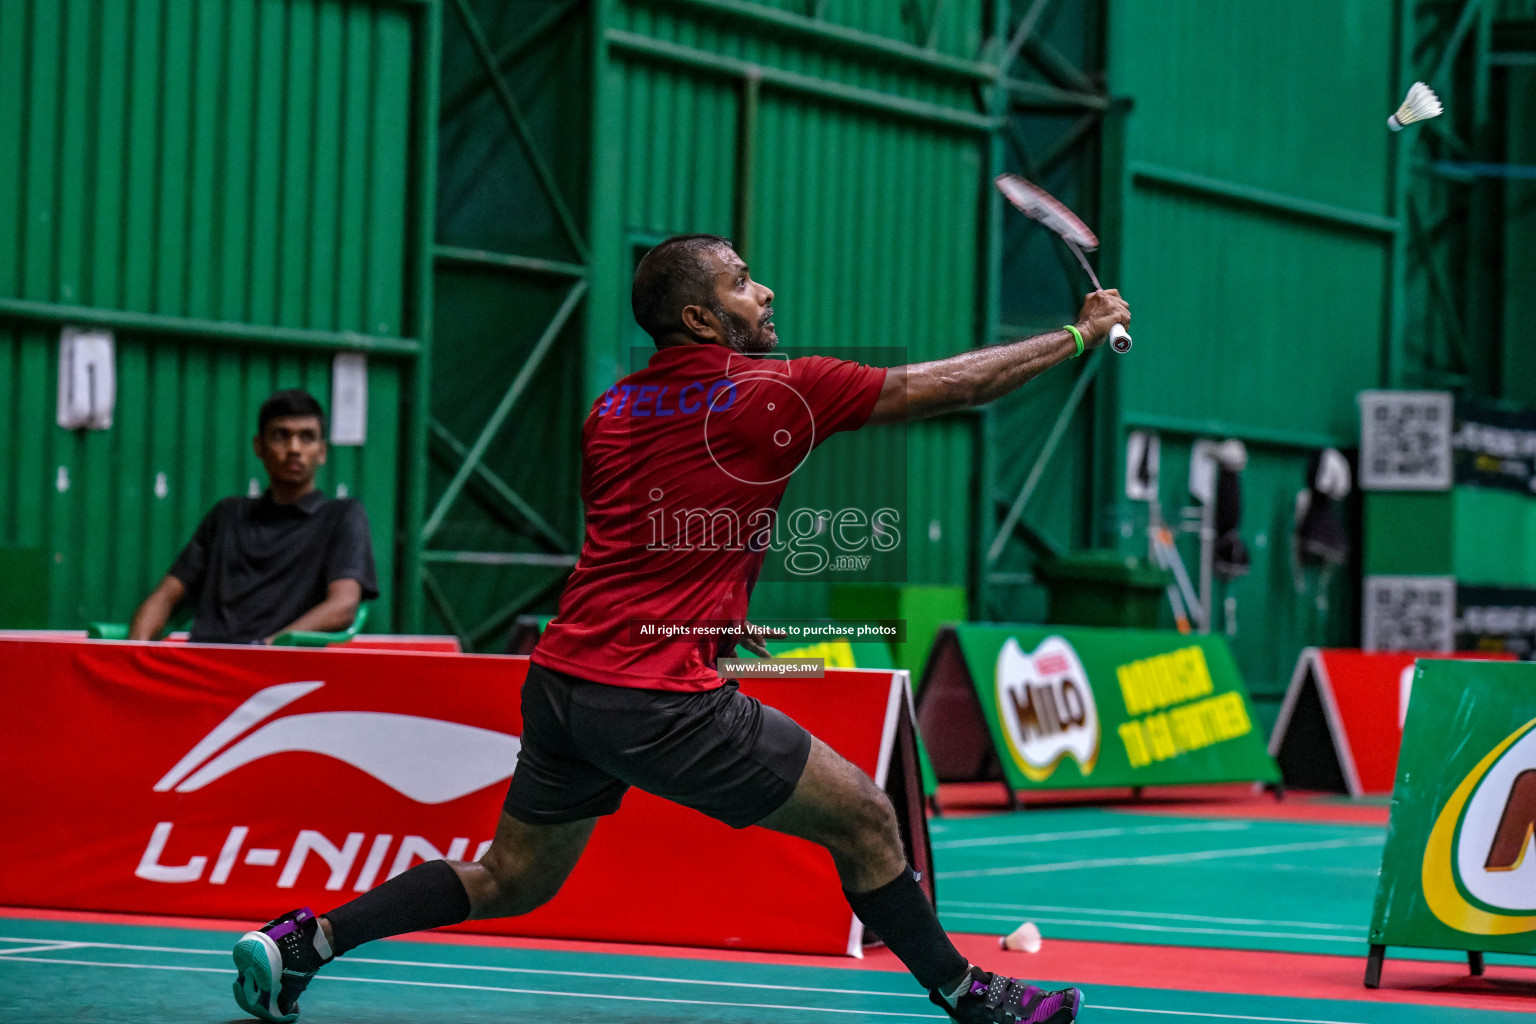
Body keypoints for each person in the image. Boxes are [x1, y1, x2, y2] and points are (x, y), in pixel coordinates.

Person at [231, 236, 1129, 1024]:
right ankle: (972, 997)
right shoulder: (772, 391)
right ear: (701, 316)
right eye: (743, 282)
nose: (765, 292)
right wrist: (1079, 334)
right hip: (651, 694)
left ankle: (305, 942)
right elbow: (952, 386)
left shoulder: (614, 410)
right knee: (863, 815)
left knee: (514, 879)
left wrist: (714, 620)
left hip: (562, 682)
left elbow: (639, 542)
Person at [130, 389, 378, 646]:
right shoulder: (227, 515)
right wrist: (132, 653)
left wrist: (267, 647)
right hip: (203, 665)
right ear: (259, 446)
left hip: (279, 672)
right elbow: (165, 597)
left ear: (322, 451)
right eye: (281, 436)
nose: (294, 449)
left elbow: (343, 605)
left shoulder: (341, 517)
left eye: (307, 437)